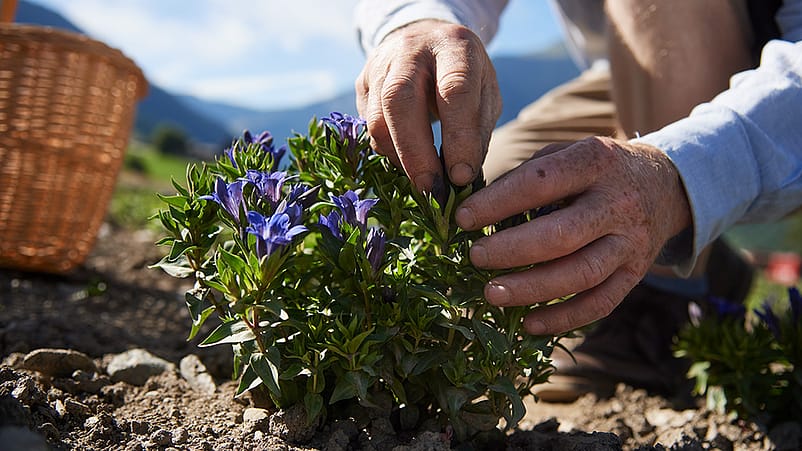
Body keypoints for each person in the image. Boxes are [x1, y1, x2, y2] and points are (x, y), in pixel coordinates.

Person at [353, 0, 802, 400]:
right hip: (633, 74)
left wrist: (678, 178)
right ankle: (704, 257)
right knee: (502, 193)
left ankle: (661, 301)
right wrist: (417, 20)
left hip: (781, 82)